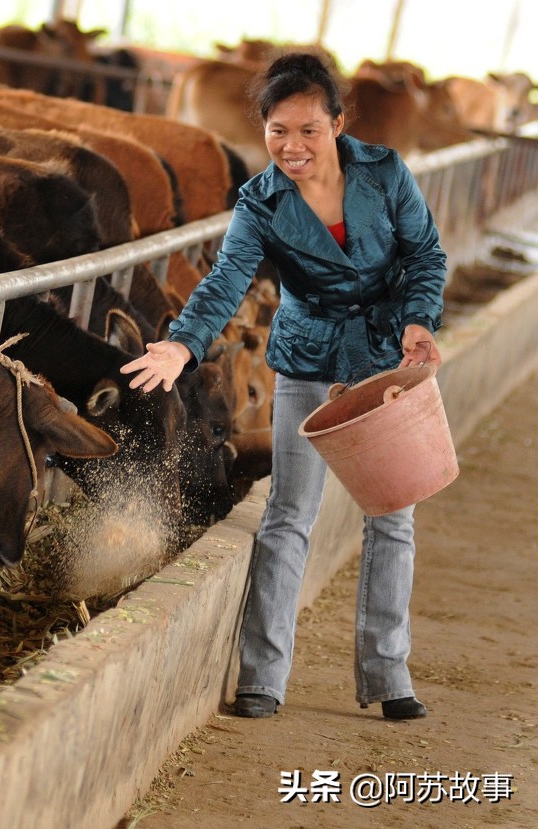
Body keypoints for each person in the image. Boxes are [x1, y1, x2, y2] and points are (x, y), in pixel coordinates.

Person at [121, 51, 445, 720]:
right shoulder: (261, 201)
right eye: (277, 131)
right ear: (263, 128)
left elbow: (425, 254)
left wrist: (418, 317)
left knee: (392, 515)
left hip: (385, 360)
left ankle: (389, 673)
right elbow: (225, 279)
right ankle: (263, 675)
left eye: (308, 130)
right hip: (304, 358)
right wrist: (184, 341)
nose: (292, 146)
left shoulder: (384, 175)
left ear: (338, 122)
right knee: (289, 513)